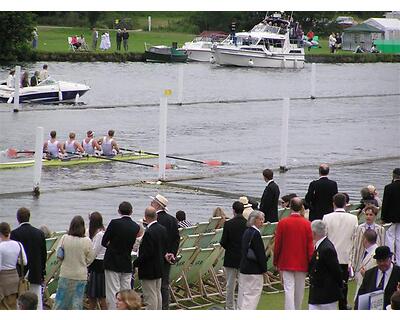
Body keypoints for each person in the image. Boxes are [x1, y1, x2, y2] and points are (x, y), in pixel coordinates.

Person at [274, 197, 314, 310]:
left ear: (290, 207)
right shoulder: (307, 224)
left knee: (288, 289)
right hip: (302, 262)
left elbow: (278, 244)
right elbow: (310, 246)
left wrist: (276, 261)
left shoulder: (283, 223)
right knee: (299, 290)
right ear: (302, 207)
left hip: (286, 261)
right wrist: (311, 262)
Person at [101, 201, 142, 310]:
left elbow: (104, 241)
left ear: (119, 211)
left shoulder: (114, 223)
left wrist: (112, 244)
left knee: (112, 292)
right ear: (131, 212)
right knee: (126, 292)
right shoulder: (135, 226)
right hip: (126, 261)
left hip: (112, 261)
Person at [322, 192, 358, 309]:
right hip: (345, 255)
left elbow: (324, 236)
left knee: (329, 282)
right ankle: (343, 305)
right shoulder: (353, 218)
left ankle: (330, 305)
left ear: (333, 204)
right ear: (345, 204)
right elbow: (354, 237)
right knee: (344, 282)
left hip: (330, 255)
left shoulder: (327, 217)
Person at [53, 216, 95, 310]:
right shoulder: (87, 241)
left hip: (66, 274)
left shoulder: (64, 238)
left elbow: (59, 255)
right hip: (80, 275)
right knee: (77, 302)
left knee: (60, 301)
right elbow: (91, 258)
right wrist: (83, 263)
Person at [10, 207, 47, 310]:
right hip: (36, 271)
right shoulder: (39, 233)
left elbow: (14, 256)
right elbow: (43, 255)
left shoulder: (15, 234)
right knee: (37, 300)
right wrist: (43, 271)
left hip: (21, 273)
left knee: (20, 301)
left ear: (18, 219)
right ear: (29, 217)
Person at [133, 206, 168, 310]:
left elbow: (147, 253)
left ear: (145, 217)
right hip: (159, 265)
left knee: (150, 295)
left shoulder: (149, 232)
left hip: (149, 268)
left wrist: (135, 263)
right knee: (157, 292)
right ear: (156, 215)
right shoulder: (162, 229)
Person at [150, 194, 179, 310]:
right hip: (168, 257)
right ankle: (164, 308)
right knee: (164, 285)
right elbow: (176, 238)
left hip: (155, 257)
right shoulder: (172, 219)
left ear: (157, 205)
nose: (151, 204)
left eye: (152, 203)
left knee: (154, 286)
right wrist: (172, 253)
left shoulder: (154, 220)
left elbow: (153, 239)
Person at [237, 210, 268, 310]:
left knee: (243, 294)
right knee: (252, 295)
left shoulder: (247, 232)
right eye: (260, 219)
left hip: (244, 267)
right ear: (254, 220)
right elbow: (260, 254)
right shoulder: (256, 234)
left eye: (263, 219)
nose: (262, 221)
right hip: (254, 269)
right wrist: (264, 269)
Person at [308, 220, 342, 310]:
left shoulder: (326, 248)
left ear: (313, 233)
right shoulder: (320, 246)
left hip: (326, 295)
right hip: (318, 293)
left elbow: (336, 271)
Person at [220, 201, 247, 310]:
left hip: (231, 256)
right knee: (242, 284)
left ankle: (230, 306)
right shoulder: (247, 224)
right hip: (243, 257)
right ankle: (241, 306)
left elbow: (223, 242)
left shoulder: (228, 224)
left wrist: (230, 248)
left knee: (230, 284)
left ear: (233, 210)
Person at [350, 204, 385, 276]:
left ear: (375, 216)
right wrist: (351, 262)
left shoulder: (380, 229)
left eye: (371, 215)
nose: (368, 217)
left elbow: (382, 244)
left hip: (373, 259)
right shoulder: (358, 228)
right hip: (360, 258)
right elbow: (354, 246)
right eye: (366, 214)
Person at [0, 222, 27, 310]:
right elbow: (25, 262)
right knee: (12, 305)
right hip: (15, 278)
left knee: (3, 306)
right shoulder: (18, 244)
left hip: (3, 280)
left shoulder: (1, 246)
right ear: (9, 232)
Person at [87, 211, 107, 310]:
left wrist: (86, 262)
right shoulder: (100, 232)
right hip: (98, 265)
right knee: (94, 295)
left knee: (100, 295)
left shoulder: (99, 234)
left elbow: (94, 251)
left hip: (98, 265)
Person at [352, 229, 378, 302]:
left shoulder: (375, 254)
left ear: (365, 240)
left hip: (368, 289)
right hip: (360, 286)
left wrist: (366, 275)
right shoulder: (366, 251)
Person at [381, 168, 400, 265]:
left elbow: (385, 204)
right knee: (399, 239)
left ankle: (391, 259)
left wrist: (383, 217)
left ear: (393, 176)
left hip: (391, 217)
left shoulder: (388, 187)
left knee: (390, 238)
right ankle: (399, 260)